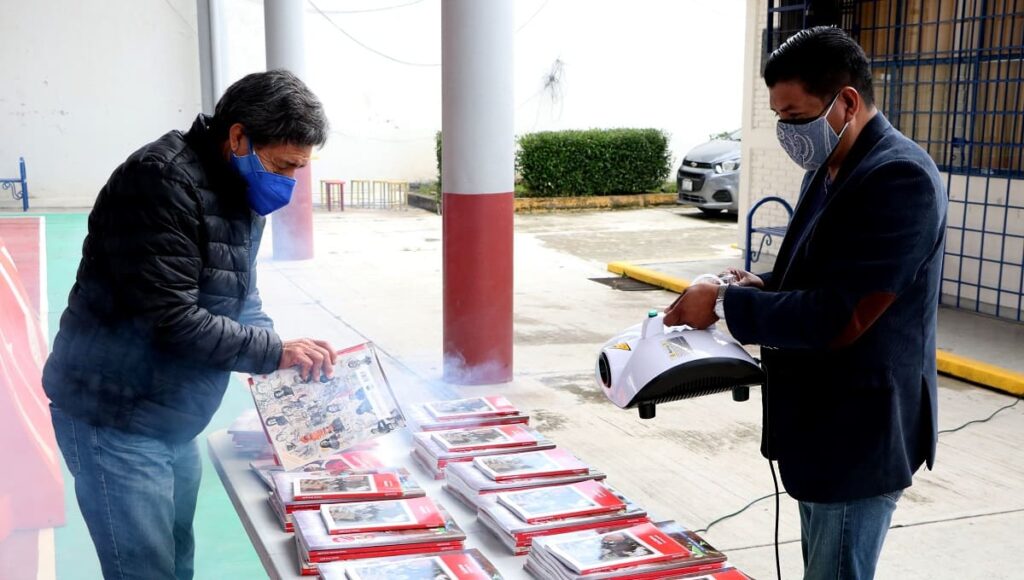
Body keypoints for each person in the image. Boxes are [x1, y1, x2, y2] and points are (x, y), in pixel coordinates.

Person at [664, 27, 947, 580]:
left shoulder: (898, 177)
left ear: (846, 101)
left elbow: (843, 314)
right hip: (820, 430)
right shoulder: (830, 167)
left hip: (858, 434)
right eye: (779, 118)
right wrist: (761, 287)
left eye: (796, 117)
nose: (788, 132)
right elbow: (821, 275)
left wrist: (723, 305)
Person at [43, 70, 339, 580]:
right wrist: (273, 352)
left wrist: (284, 358)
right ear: (239, 136)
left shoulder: (239, 185)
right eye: (285, 166)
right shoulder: (158, 181)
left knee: (176, 559)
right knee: (145, 571)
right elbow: (171, 319)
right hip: (114, 414)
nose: (289, 183)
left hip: (172, 413)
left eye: (298, 169)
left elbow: (238, 295)